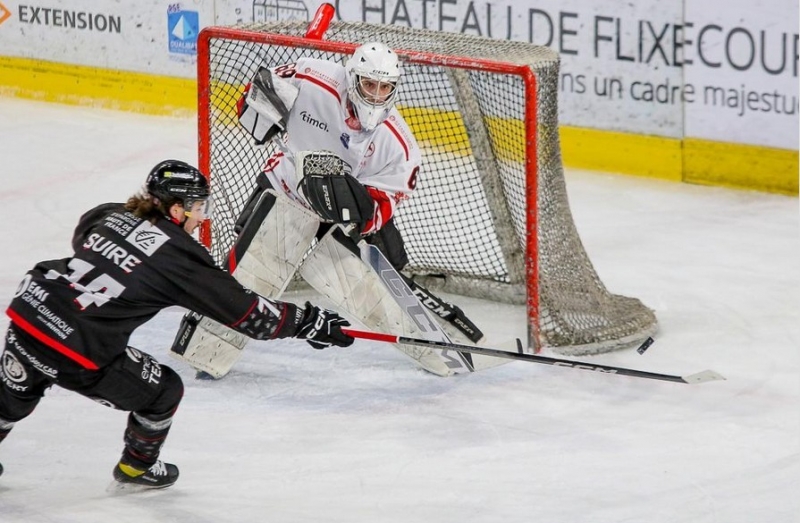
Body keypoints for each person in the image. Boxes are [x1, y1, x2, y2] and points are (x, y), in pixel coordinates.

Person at [0, 160, 353, 489]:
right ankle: (136, 466)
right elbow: (250, 315)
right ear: (175, 210)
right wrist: (310, 322)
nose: (201, 218)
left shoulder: (112, 214)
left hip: (32, 310)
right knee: (164, 392)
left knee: (15, 393)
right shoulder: (180, 258)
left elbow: (84, 233)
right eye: (198, 207)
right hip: (78, 345)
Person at [173, 42, 484, 380]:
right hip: (287, 189)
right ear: (352, 78)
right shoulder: (312, 77)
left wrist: (353, 212)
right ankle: (208, 349)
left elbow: (380, 209)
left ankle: (435, 348)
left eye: (385, 87)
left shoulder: (400, 146)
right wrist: (258, 105)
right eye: (369, 84)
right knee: (248, 283)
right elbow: (255, 94)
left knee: (375, 292)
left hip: (341, 220)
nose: (376, 94)